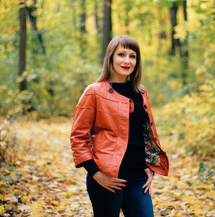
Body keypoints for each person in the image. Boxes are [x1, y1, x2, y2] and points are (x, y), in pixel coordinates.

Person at [70, 35, 169, 217]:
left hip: (138, 177)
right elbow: (78, 137)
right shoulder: (94, 91)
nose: (127, 60)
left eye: (132, 56)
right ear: (111, 57)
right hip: (107, 177)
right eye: (121, 54)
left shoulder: (141, 91)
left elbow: (145, 132)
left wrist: (149, 165)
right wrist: (96, 174)